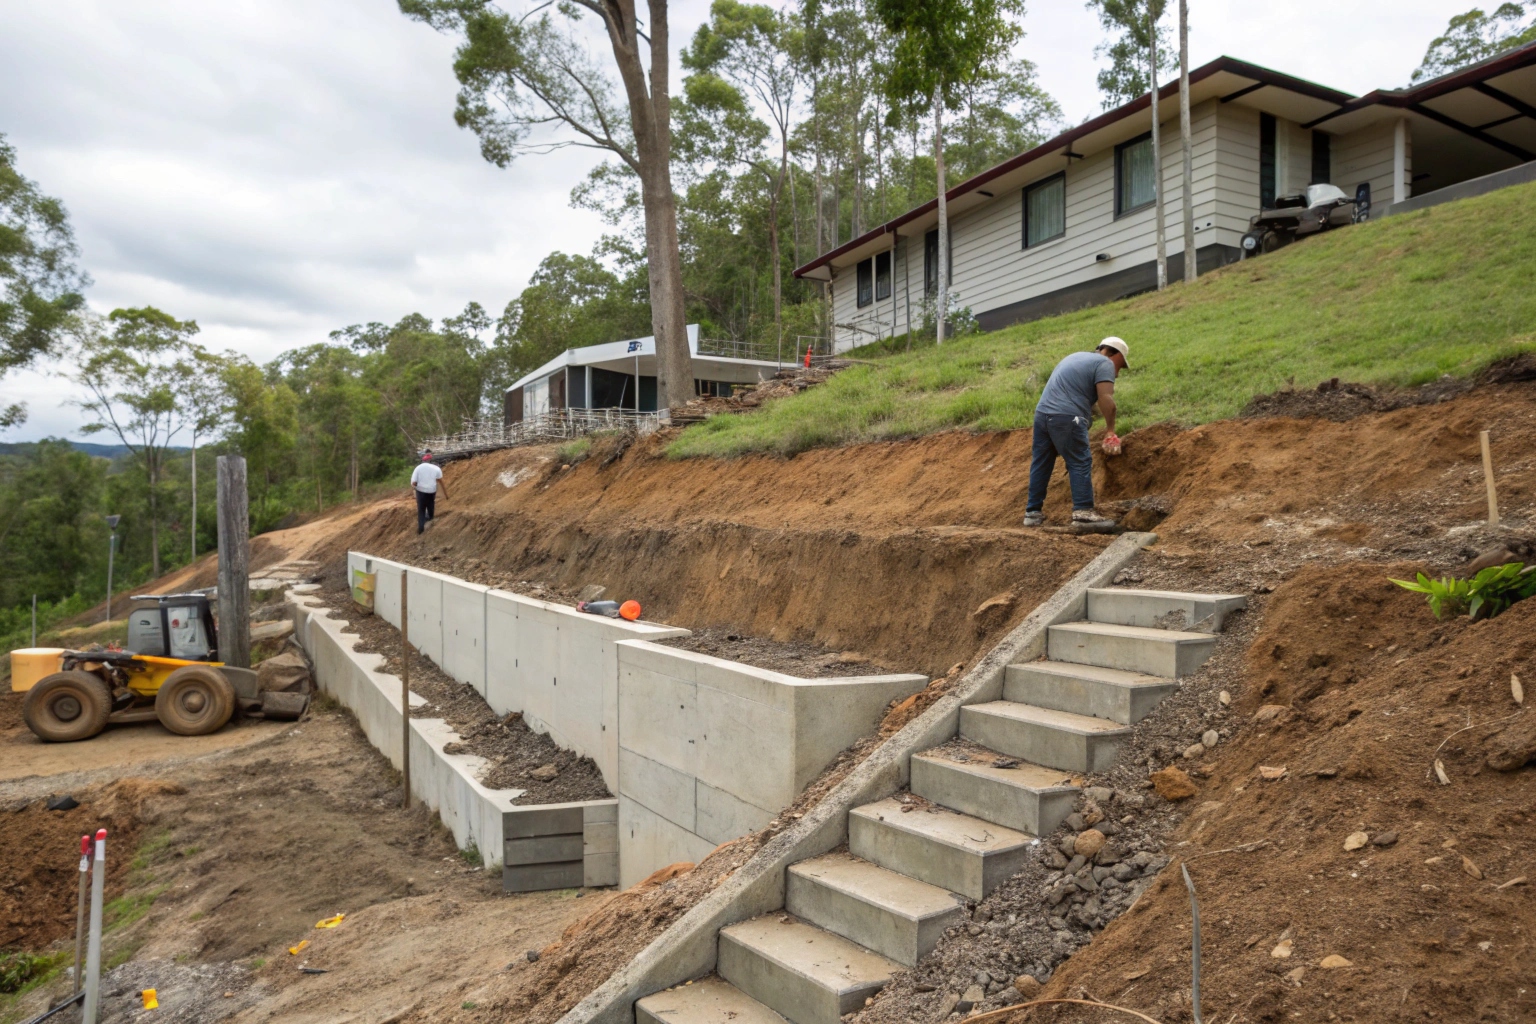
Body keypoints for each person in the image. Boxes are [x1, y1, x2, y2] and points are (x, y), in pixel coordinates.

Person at [1022, 338, 1128, 527]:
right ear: (1116, 355)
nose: (1117, 373)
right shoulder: (1105, 363)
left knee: (1042, 462)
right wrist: (1110, 431)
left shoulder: (1076, 357)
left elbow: (1084, 399)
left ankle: (1032, 514)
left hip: (1042, 415)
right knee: (1080, 459)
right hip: (1066, 416)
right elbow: (1106, 398)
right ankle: (1083, 513)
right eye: (1121, 366)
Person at [411, 451, 446, 534]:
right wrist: (446, 494)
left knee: (421, 509)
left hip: (421, 491)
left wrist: (414, 489)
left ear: (423, 460)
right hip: (431, 491)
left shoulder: (418, 468)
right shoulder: (436, 468)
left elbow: (414, 482)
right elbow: (440, 481)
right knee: (431, 506)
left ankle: (421, 527)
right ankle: (430, 518)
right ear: (431, 460)